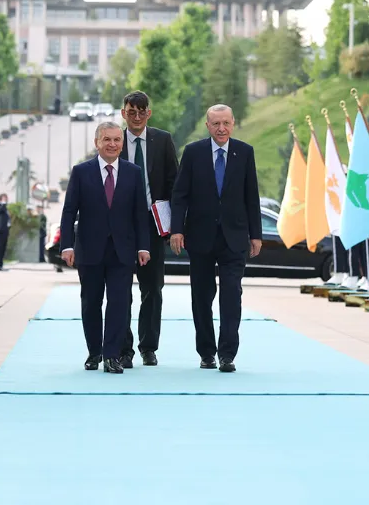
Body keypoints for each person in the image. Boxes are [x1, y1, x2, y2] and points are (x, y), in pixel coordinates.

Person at [170, 104, 262, 373]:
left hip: (234, 238)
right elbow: (180, 195)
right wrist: (177, 229)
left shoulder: (244, 152)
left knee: (232, 295)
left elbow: (251, 196)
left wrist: (255, 234)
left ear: (233, 123)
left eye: (226, 123)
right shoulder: (193, 152)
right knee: (202, 296)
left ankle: (227, 355)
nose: (221, 129)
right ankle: (207, 352)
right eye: (216, 124)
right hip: (200, 237)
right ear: (208, 126)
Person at [60, 122, 150, 373]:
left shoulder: (133, 172)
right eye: (107, 140)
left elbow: (139, 214)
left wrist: (144, 246)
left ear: (122, 143)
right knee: (91, 302)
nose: (112, 144)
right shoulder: (81, 172)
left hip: (123, 250)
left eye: (117, 140)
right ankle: (94, 352)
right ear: (96, 142)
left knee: (119, 303)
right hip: (89, 249)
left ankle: (112, 355)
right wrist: (67, 245)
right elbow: (69, 211)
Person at [118, 90, 178, 368]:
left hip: (154, 226)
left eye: (142, 112)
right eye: (132, 112)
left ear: (149, 113)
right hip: (120, 228)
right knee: (120, 289)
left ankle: (148, 347)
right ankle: (123, 348)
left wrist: (175, 224)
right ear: (124, 114)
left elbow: (174, 184)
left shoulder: (162, 140)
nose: (137, 117)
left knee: (152, 289)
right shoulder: (114, 140)